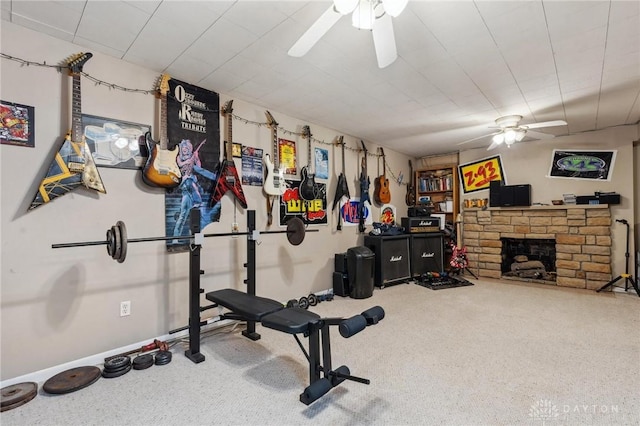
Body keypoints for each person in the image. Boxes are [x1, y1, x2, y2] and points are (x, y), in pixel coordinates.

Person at [172, 139, 220, 241]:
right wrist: (187, 161)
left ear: (189, 149)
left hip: (190, 186)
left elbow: (199, 167)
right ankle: (175, 238)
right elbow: (180, 164)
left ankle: (177, 238)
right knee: (191, 205)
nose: (184, 149)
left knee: (183, 214)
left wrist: (196, 157)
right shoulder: (179, 158)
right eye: (183, 148)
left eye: (186, 148)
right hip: (185, 183)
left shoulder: (192, 158)